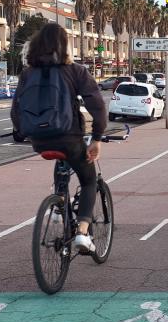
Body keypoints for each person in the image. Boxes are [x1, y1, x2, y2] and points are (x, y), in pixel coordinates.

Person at [10, 24, 107, 254]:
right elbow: (97, 106)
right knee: (89, 180)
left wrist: (25, 133)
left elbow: (16, 111)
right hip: (69, 137)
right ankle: (83, 232)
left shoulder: (27, 73)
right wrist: (97, 138)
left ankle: (58, 202)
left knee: (61, 159)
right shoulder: (75, 71)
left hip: (39, 140)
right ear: (65, 46)